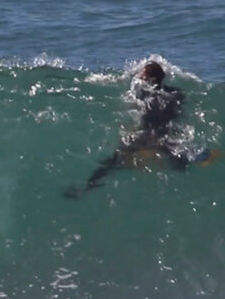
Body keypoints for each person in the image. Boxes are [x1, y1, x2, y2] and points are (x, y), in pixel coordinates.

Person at [66, 61, 188, 197]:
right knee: (180, 162)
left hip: (146, 136)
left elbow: (138, 112)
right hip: (166, 135)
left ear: (151, 79)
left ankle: (87, 187)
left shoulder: (144, 95)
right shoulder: (176, 93)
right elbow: (176, 115)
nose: (140, 79)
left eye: (142, 77)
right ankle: (184, 190)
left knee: (113, 161)